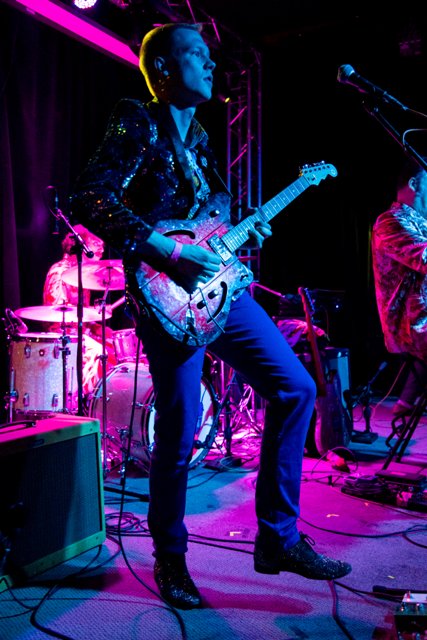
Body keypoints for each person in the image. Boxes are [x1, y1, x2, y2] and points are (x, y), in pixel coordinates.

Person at [70, 23, 351, 609]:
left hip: (218, 288)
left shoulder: (198, 135)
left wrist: (243, 227)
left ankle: (278, 539)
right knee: (178, 427)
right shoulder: (138, 119)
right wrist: (171, 251)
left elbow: (213, 214)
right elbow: (91, 197)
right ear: (164, 69)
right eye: (196, 55)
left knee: (296, 388)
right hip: (164, 292)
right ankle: (170, 559)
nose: (211, 65)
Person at [372, 154, 427, 417]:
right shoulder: (390, 222)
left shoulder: (422, 223)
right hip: (410, 325)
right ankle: (407, 402)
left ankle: (406, 403)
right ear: (415, 184)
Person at [43, 224, 116, 397]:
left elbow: (85, 316)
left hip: (82, 333)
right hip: (63, 338)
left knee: (115, 344)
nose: (99, 255)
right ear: (78, 249)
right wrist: (92, 315)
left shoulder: (83, 275)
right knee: (100, 353)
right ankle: (83, 402)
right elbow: (58, 316)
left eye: (100, 251)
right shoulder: (59, 272)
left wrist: (98, 327)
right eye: (95, 249)